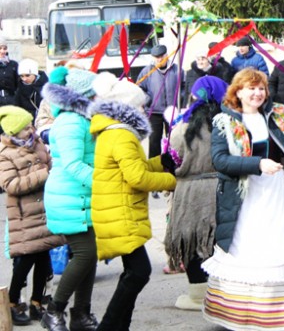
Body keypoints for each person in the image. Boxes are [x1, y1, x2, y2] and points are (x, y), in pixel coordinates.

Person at [201, 68, 284, 330]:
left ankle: (282, 320)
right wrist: (258, 164)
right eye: (251, 88)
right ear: (237, 91)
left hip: (277, 194)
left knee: (278, 249)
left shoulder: (279, 115)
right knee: (247, 253)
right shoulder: (224, 121)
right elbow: (220, 161)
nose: (257, 93)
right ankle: (237, 318)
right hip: (244, 198)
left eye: (261, 87)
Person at [88, 72, 176, 330]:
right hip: (120, 211)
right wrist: (173, 182)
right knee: (139, 272)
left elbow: (135, 167)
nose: (143, 109)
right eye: (138, 104)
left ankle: (118, 326)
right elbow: (137, 177)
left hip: (119, 209)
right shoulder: (121, 135)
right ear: (126, 107)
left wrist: (161, 163)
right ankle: (108, 326)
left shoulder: (116, 132)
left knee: (133, 272)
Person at [41, 68, 100, 331]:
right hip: (68, 198)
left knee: (89, 255)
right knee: (85, 254)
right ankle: (53, 310)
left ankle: (81, 315)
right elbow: (75, 165)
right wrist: (106, 183)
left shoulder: (83, 119)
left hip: (83, 198)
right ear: (86, 94)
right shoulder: (70, 122)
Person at [165, 76, 227, 310]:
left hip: (188, 191)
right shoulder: (226, 127)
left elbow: (172, 161)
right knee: (217, 241)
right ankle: (223, 293)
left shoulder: (180, 129)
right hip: (220, 189)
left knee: (191, 241)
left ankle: (198, 295)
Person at [0, 106, 64, 326]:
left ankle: (37, 302)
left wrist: (52, 169)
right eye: (26, 128)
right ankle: (11, 301)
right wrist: (42, 175)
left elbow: (50, 163)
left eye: (31, 125)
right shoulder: (5, 154)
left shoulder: (37, 143)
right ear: (13, 132)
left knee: (43, 255)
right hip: (24, 214)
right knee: (26, 258)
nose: (31, 130)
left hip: (45, 208)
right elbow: (10, 185)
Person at [137, 44, 185, 158]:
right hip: (154, 112)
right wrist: (148, 100)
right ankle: (155, 166)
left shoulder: (177, 69)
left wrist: (180, 102)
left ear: (167, 56)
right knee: (154, 141)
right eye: (156, 57)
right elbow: (139, 89)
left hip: (172, 112)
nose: (159, 59)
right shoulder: (147, 71)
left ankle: (174, 163)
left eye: (161, 56)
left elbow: (184, 87)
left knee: (174, 139)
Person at [0, 36, 19, 107]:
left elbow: (18, 85)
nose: (2, 51)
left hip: (11, 101)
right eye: (0, 48)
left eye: (4, 48)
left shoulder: (13, 65)